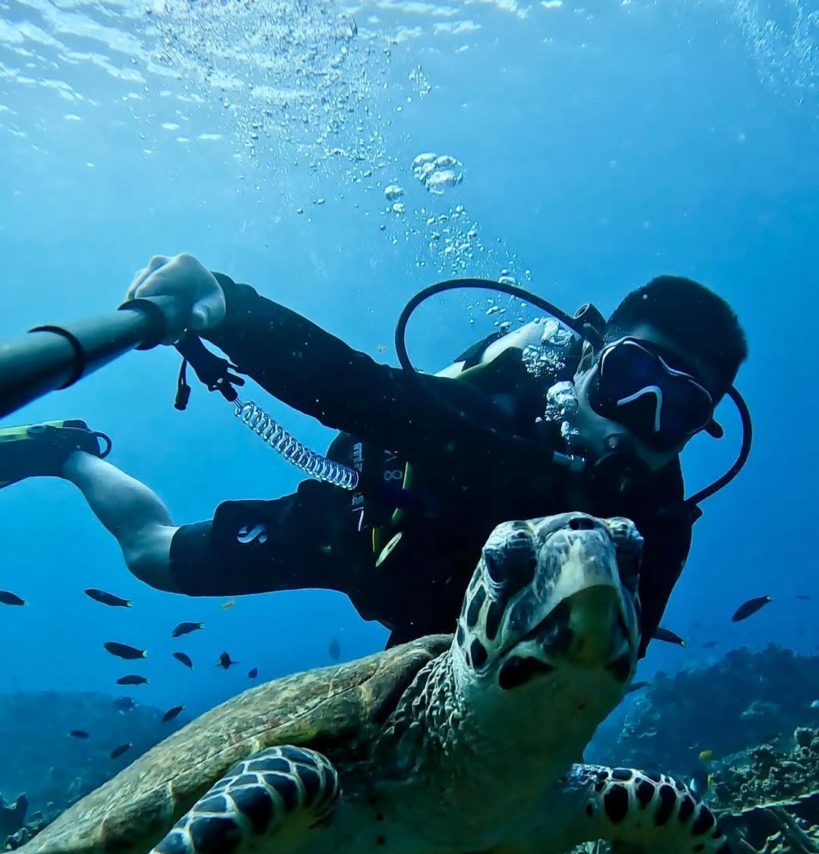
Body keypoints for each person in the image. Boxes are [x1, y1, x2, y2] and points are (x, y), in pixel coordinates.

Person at [0, 254, 747, 655]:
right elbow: (356, 390)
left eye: (678, 410)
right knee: (152, 557)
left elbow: (618, 656)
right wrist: (227, 303)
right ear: (585, 361)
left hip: (458, 643)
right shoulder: (486, 418)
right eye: (629, 380)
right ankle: (70, 454)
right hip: (360, 531)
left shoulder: (657, 521)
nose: (639, 424)